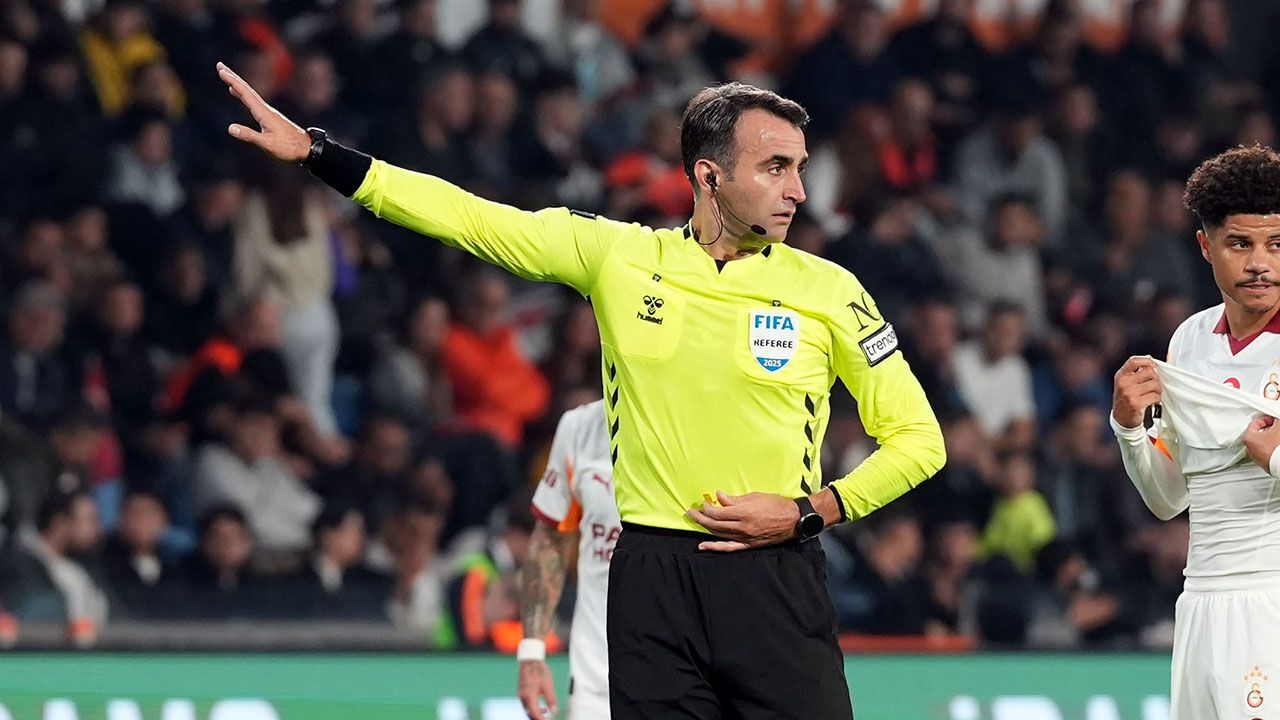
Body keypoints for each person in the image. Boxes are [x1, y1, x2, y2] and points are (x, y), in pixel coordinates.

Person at [216, 62, 945, 719]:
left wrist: (808, 512)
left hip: (775, 578)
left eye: (800, 168)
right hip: (651, 582)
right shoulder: (621, 259)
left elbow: (919, 441)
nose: (799, 191)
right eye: (776, 167)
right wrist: (318, 153)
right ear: (709, 176)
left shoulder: (830, 291)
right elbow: (469, 218)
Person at [1111, 144, 1280, 719]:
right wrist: (1129, 428)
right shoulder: (1190, 340)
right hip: (1199, 604)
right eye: (1240, 244)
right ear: (1207, 246)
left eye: (1277, 244)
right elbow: (1169, 499)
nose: (1260, 263)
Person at [517, 399, 617, 719]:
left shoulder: (700, 425)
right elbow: (550, 541)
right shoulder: (581, 427)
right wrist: (532, 651)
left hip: (683, 675)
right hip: (596, 680)